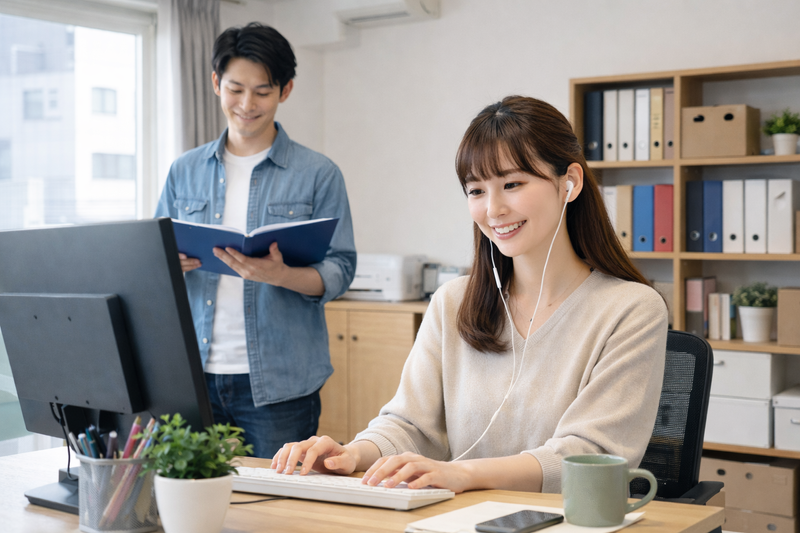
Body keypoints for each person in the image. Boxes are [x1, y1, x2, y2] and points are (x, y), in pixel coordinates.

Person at [271, 96, 667, 493]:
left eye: (512, 184)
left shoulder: (630, 310)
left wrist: (463, 474)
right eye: (476, 191)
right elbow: (409, 424)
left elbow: (588, 456)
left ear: (570, 183)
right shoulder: (453, 303)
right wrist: (351, 454)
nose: (493, 209)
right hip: (461, 519)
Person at [155, 23, 356, 458]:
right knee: (190, 509)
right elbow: (150, 258)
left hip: (280, 384)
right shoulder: (183, 171)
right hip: (192, 375)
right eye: (236, 89)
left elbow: (340, 270)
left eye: (262, 92)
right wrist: (166, 262)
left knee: (277, 511)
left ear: (285, 91)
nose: (247, 105)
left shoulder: (318, 173)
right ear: (215, 84)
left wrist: (283, 276)